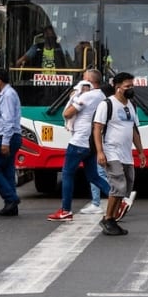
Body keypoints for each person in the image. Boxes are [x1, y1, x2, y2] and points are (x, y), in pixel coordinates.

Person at [50, 69, 112, 221]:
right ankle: (119, 199)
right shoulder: (102, 96)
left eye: (83, 78)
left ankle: (65, 210)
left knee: (67, 174)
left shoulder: (88, 96)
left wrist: (74, 97)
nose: (80, 82)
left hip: (79, 141)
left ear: (90, 81)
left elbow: (67, 114)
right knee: (93, 175)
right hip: (91, 141)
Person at [93, 72, 145, 235]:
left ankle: (112, 220)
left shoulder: (131, 105)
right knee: (118, 184)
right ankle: (108, 218)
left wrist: (141, 152)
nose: (131, 89)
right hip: (111, 151)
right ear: (117, 87)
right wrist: (100, 152)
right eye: (127, 86)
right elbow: (97, 128)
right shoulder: (107, 104)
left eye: (132, 86)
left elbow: (134, 130)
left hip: (126, 153)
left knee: (127, 186)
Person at [0, 68, 23, 216]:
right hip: (10, 136)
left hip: (6, 137)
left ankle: (11, 198)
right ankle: (10, 205)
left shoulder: (7, 95)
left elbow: (8, 121)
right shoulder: (5, 94)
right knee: (7, 170)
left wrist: (5, 142)